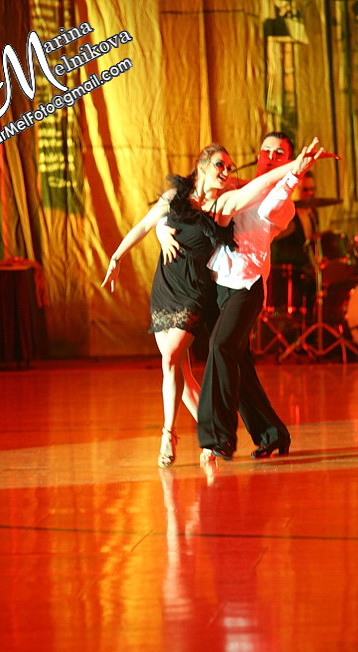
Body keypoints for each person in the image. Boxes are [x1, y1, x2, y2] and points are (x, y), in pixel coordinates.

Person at [102, 139, 322, 468]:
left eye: (281, 154)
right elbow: (152, 219)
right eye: (220, 165)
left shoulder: (247, 201)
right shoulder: (200, 193)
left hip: (227, 288)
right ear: (203, 165)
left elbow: (264, 187)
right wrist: (140, 242)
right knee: (203, 366)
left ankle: (196, 437)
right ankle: (265, 434)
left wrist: (295, 170)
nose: (226, 171)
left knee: (195, 353)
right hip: (185, 287)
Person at [160, 132, 337, 462]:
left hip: (246, 286)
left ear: (288, 160)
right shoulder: (233, 184)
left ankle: (218, 438)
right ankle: (272, 434)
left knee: (220, 348)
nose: (271, 156)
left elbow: (269, 199)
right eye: (267, 150)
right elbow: (181, 201)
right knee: (239, 365)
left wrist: (294, 172)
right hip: (217, 285)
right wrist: (160, 230)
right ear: (258, 155)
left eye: (280, 153)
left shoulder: (283, 202)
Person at [270, 170, 319, 321]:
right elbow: (276, 250)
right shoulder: (285, 214)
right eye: (305, 189)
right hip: (289, 274)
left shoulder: (313, 212)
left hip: (308, 270)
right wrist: (306, 258)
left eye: (312, 189)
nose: (310, 193)